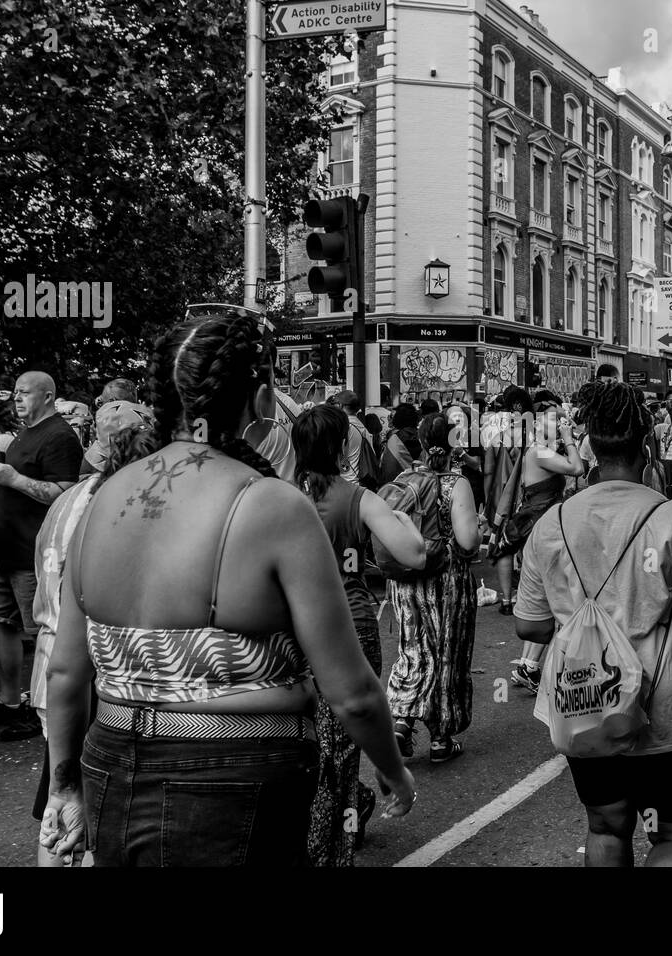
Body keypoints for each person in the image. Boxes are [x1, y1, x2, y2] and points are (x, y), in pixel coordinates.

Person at [41, 308, 415, 867]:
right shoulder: (272, 504)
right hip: (237, 769)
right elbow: (352, 691)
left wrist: (63, 786)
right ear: (262, 398)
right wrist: (391, 768)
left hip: (112, 759)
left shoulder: (102, 499)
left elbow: (66, 672)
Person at [513, 381, 672, 867]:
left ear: (588, 447)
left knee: (605, 825)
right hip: (666, 712)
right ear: (647, 447)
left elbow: (531, 628)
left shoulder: (552, 523)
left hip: (584, 703)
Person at [293, 404, 426, 866]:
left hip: (295, 632)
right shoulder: (359, 498)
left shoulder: (285, 497)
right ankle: (335, 845)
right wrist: (408, 523)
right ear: (341, 446)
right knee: (344, 745)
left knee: (306, 737)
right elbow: (412, 554)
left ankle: (315, 832)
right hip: (351, 623)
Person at [28, 409, 154, 865]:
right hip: (101, 677)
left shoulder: (73, 499)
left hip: (56, 670)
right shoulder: (126, 511)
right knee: (95, 818)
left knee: (60, 804)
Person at [0, 371, 83, 739]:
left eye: (24, 392)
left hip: (33, 551)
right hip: (6, 550)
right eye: (15, 392)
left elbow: (65, 492)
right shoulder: (25, 432)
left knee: (41, 634)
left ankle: (41, 708)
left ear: (48, 396)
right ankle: (10, 701)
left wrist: (13, 479)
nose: (16, 398)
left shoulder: (60, 436)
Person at [387, 413, 481, 763]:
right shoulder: (457, 484)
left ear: (422, 443)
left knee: (413, 648)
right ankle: (441, 739)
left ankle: (401, 721)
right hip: (447, 582)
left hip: (408, 579)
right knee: (446, 652)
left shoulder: (404, 479)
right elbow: (468, 542)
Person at [509, 391, 585, 691]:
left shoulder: (538, 449)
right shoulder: (539, 451)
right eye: (556, 420)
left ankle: (528, 664)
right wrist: (569, 438)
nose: (562, 423)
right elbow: (577, 468)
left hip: (541, 524)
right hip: (541, 526)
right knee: (554, 593)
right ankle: (530, 665)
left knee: (543, 595)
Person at [483, 385, 532, 613]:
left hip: (502, 498)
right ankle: (525, 596)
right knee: (527, 547)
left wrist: (487, 500)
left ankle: (505, 600)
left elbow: (489, 472)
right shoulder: (535, 437)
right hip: (527, 498)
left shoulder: (498, 438)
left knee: (504, 547)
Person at [380, 402, 421, 483]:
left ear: (398, 418)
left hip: (396, 485)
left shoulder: (394, 438)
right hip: (418, 483)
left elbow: (386, 467)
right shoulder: (421, 436)